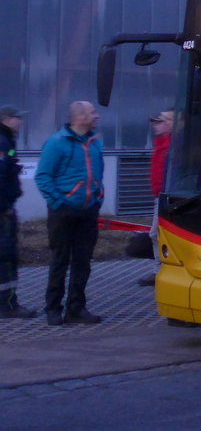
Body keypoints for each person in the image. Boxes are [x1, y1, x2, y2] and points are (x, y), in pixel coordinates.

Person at [36, 100, 105, 325]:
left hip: (88, 211)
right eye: (92, 112)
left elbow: (98, 175)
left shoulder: (95, 143)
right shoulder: (56, 143)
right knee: (60, 260)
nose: (97, 116)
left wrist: (98, 197)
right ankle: (53, 308)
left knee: (83, 262)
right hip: (63, 212)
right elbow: (43, 176)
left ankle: (76, 308)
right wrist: (58, 203)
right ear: (80, 117)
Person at [0, 105, 37, 318]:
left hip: (5, 207)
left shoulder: (6, 140)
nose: (21, 123)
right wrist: (4, 207)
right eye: (18, 119)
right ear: (6, 119)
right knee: (5, 255)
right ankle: (6, 305)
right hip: (2, 211)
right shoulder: (2, 141)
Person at [138, 108, 175, 286]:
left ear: (171, 125)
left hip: (165, 197)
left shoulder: (172, 147)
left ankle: (161, 271)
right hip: (159, 196)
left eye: (161, 121)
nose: (156, 125)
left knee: (155, 234)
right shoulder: (161, 145)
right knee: (156, 234)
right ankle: (161, 270)